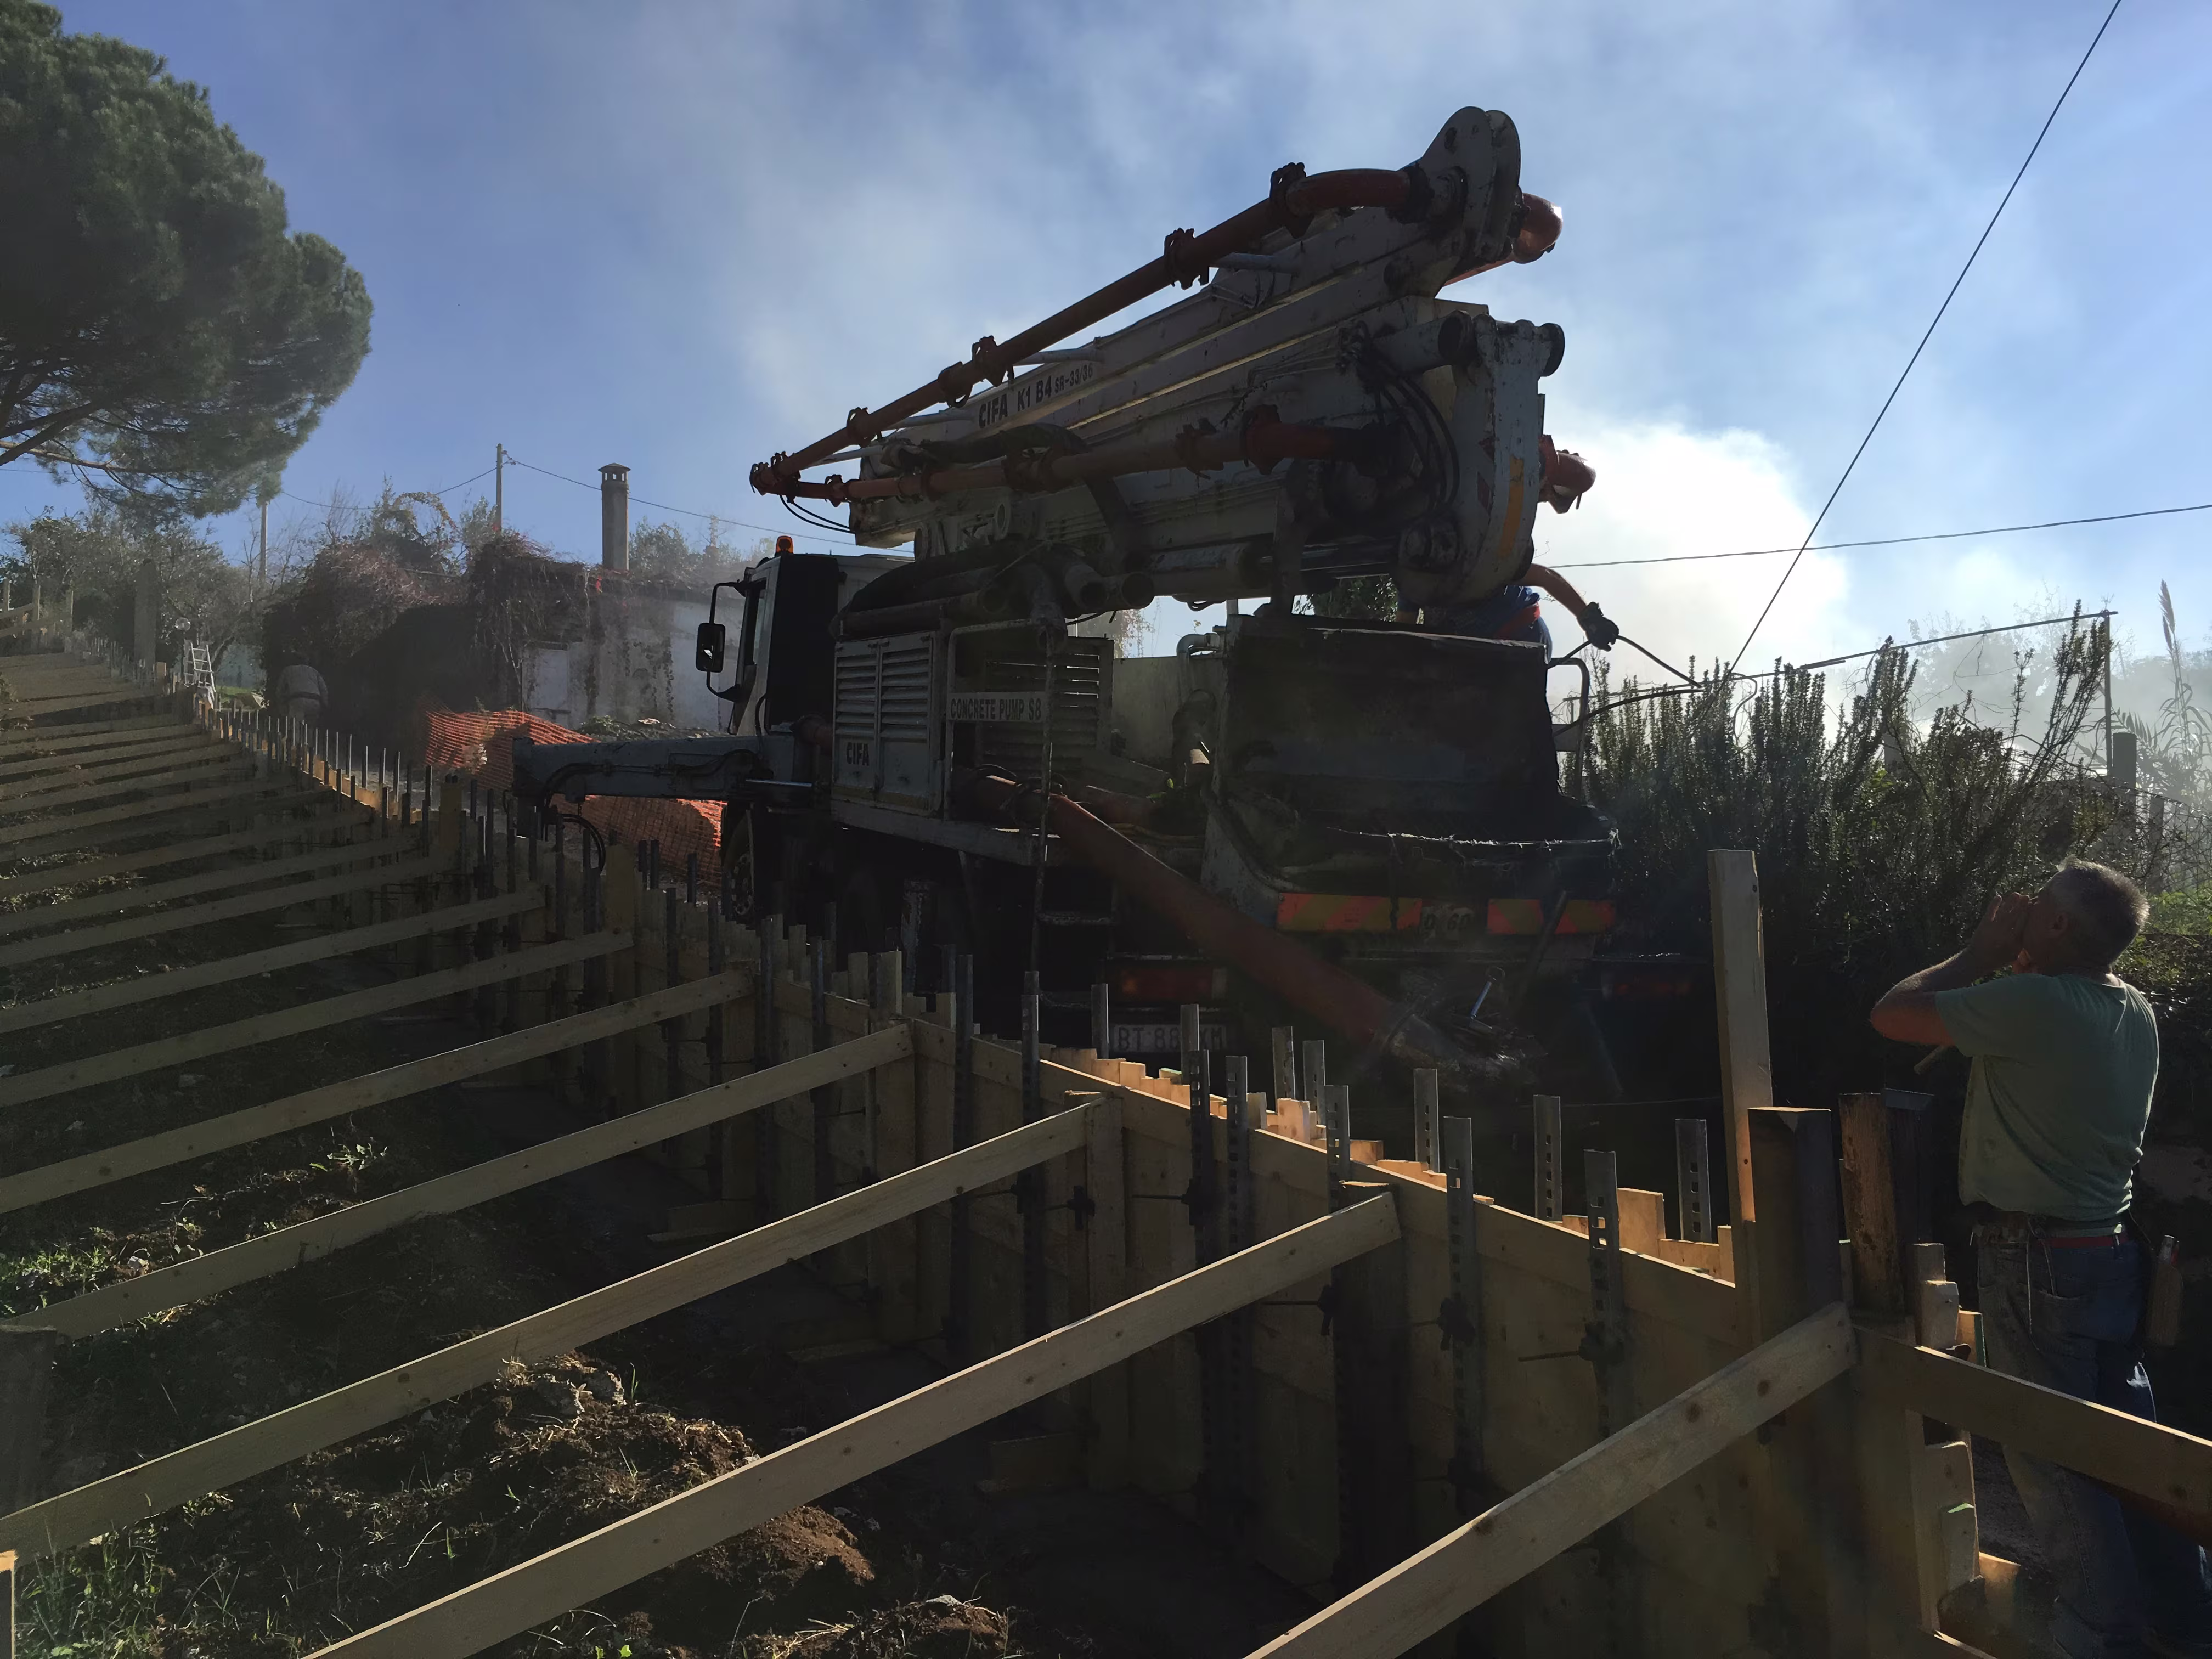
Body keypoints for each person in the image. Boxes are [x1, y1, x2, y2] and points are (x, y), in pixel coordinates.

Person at [1870, 861, 2212, 1658]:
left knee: (2053, 1457)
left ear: (2059, 926)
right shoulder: (2131, 1008)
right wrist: (2016, 968)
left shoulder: (2034, 1004)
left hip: (2036, 1261)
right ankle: (2187, 1622)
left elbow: (1892, 1015)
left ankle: (2099, 1636)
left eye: (2036, 906)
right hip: (2107, 1252)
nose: (2018, 910)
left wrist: (1980, 952)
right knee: (2128, 1449)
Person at [1397, 563, 1620, 658]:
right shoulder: (1410, 581)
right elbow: (1402, 636)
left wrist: (1589, 617)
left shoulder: (1479, 557)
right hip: (1471, 656)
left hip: (1523, 637)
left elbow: (1544, 576)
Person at [273, 659, 328, 727]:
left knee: (296, 726)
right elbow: (324, 689)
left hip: (297, 700)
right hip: (315, 700)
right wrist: (325, 704)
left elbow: (280, 689)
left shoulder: (288, 670)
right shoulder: (314, 671)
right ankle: (309, 734)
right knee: (310, 728)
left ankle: (296, 734)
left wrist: (281, 704)